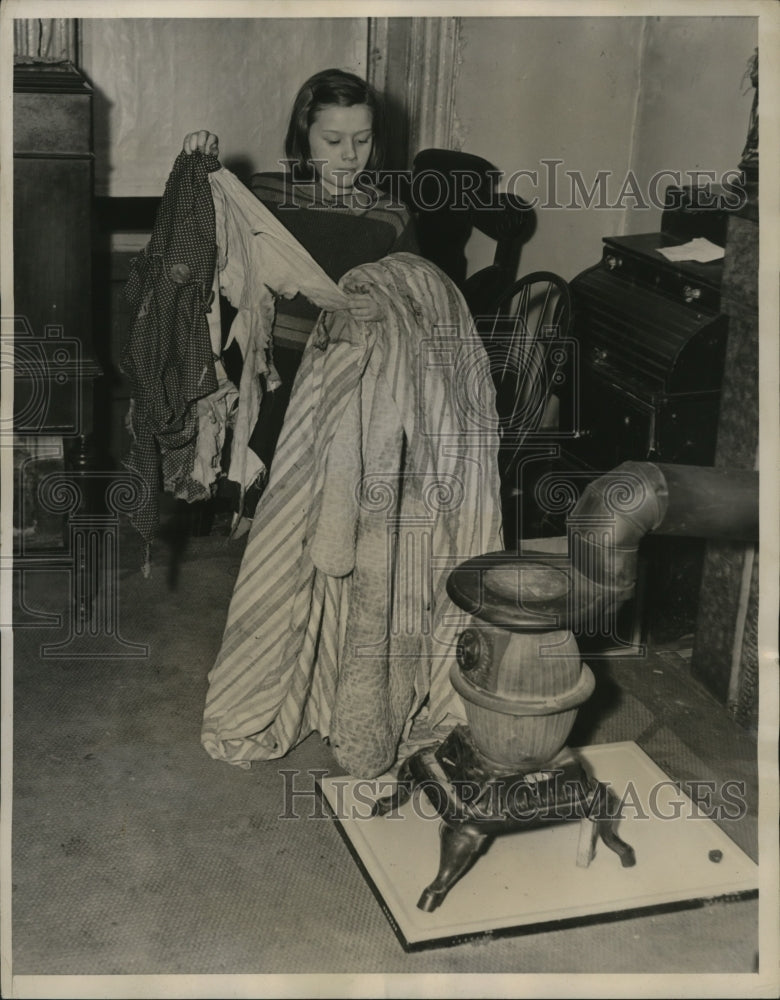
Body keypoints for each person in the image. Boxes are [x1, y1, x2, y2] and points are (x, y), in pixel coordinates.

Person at [183, 68, 418, 511]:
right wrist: (201, 163)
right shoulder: (266, 196)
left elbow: (415, 292)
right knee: (264, 473)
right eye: (333, 141)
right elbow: (208, 239)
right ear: (304, 137)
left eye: (363, 140)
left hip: (344, 372)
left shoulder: (391, 216)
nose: (350, 155)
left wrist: (384, 305)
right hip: (272, 369)